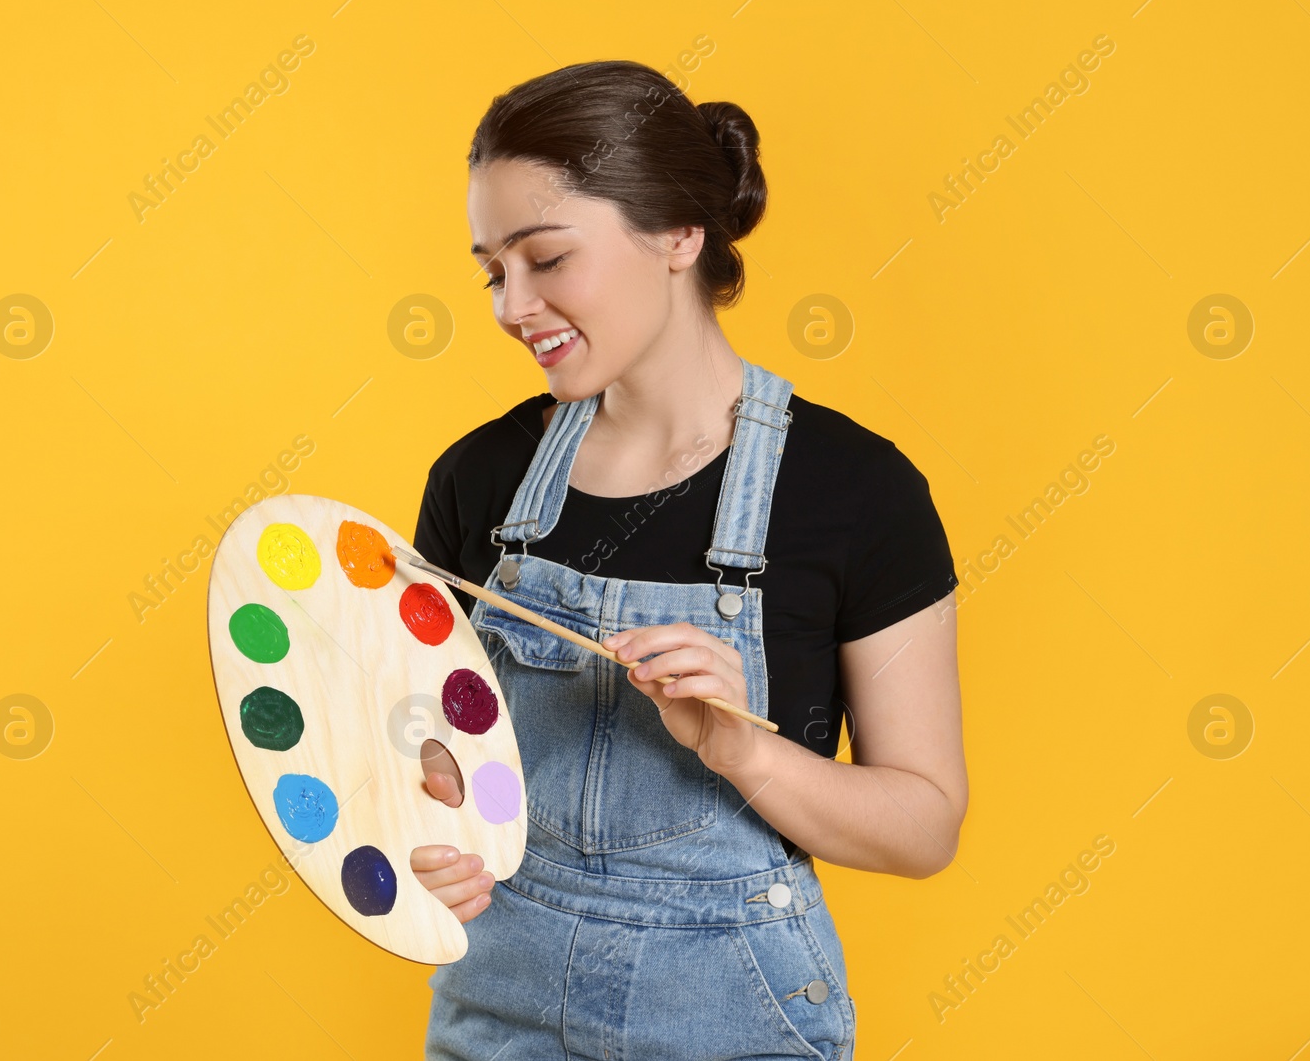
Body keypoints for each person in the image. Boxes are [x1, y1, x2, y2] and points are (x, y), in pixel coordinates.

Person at [408, 60, 967, 1060]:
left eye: (545, 257)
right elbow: (428, 758)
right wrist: (428, 831)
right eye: (494, 270)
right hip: (500, 1016)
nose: (509, 303)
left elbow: (923, 826)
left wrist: (741, 747)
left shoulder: (855, 492)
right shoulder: (477, 481)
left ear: (677, 234)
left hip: (735, 1022)